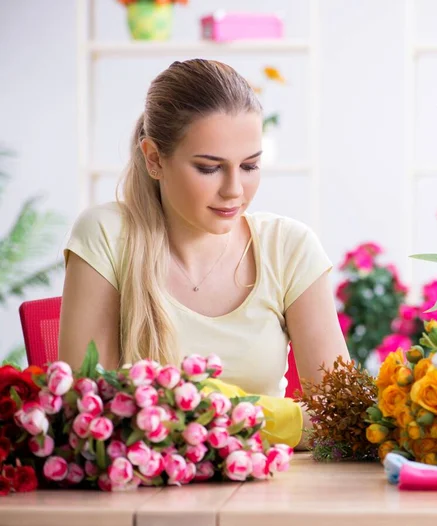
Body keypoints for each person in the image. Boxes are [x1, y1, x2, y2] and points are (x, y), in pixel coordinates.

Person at [58, 58, 350, 448]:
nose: (234, 190)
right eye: (209, 168)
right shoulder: (107, 237)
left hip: (270, 492)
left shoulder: (290, 248)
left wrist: (201, 406)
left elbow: (339, 416)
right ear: (154, 159)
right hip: (143, 497)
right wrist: (271, 418)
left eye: (249, 166)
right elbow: (87, 413)